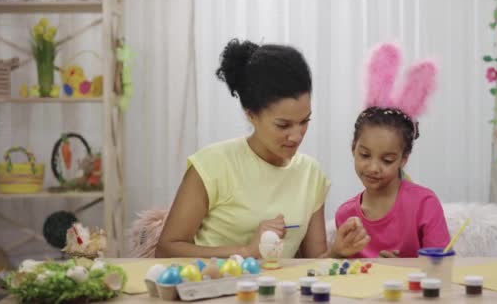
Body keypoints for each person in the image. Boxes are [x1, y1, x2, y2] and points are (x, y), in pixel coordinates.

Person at [156, 38, 369, 259]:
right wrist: (246, 251)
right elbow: (166, 250)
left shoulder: (311, 174)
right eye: (283, 125)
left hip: (279, 292)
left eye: (305, 121)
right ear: (251, 114)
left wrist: (336, 252)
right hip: (216, 289)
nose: (297, 136)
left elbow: (312, 265)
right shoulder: (212, 165)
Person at [335, 43, 450, 258]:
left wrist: (404, 269)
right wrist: (337, 252)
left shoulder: (425, 204)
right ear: (353, 148)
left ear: (403, 159)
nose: (373, 167)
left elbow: (441, 268)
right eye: (365, 155)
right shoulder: (345, 214)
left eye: (387, 160)